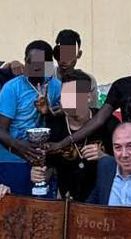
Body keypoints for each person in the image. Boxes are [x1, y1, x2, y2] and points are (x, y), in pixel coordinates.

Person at [0, 39, 63, 197]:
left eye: (41, 63)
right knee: (15, 206)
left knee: (42, 207)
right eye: (31, 62)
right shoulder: (12, 87)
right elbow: (1, 129)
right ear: (25, 61)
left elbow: (62, 124)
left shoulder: (56, 86)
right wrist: (22, 150)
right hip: (12, 159)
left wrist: (48, 111)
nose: (35, 67)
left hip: (44, 161)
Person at [31, 69, 109, 201]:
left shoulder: (107, 123)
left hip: (102, 202)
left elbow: (125, 165)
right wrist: (40, 175)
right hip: (68, 202)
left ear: (88, 97)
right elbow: (49, 167)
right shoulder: (55, 127)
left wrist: (104, 157)